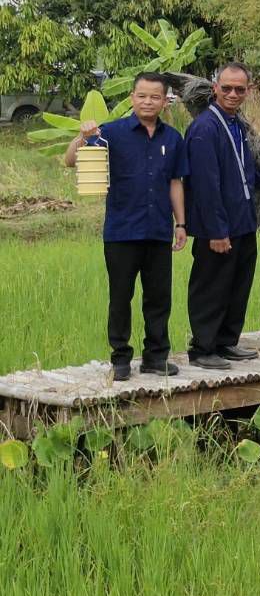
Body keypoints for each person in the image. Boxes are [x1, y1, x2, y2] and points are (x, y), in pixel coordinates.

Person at [64, 72, 189, 382]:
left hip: (158, 230)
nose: (148, 102)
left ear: (164, 101)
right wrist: (83, 135)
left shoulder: (172, 138)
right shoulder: (111, 134)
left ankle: (155, 358)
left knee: (159, 298)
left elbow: (175, 183)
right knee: (121, 297)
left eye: (155, 97)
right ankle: (120, 359)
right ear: (132, 98)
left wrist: (181, 224)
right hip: (121, 232)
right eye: (142, 96)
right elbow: (69, 160)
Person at [183, 63, 260, 370]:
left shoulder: (235, 125)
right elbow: (205, 186)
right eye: (227, 88)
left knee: (237, 283)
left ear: (248, 90)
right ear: (215, 87)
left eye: (240, 89)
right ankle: (203, 348)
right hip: (218, 227)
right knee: (212, 285)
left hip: (243, 220)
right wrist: (218, 232)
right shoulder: (205, 128)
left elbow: (241, 172)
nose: (233, 94)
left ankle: (225, 342)